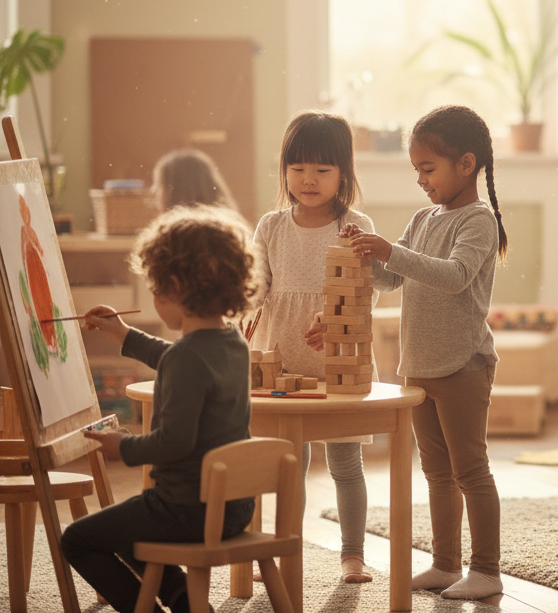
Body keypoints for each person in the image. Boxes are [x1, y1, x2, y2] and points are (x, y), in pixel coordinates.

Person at [333, 104, 508, 600]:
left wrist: (389, 249)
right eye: (417, 170)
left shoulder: (479, 221)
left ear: (467, 164)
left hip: (463, 366)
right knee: (436, 472)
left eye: (428, 169)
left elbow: (453, 277)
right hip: (420, 366)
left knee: (470, 470)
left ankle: (487, 569)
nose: (421, 180)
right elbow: (391, 280)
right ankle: (446, 563)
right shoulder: (424, 217)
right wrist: (366, 255)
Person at [61, 206, 260, 613]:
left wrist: (124, 447)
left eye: (154, 289)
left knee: (76, 539)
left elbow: (174, 441)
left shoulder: (188, 358)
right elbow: (178, 358)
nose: (152, 298)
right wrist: (124, 332)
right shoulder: (232, 343)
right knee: (126, 527)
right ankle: (182, 600)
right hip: (234, 507)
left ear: (174, 287)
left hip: (186, 509)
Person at [251, 110, 397, 584]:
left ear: (343, 174)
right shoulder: (271, 226)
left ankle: (352, 553)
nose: (308, 179)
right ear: (284, 171)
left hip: (340, 364)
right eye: (297, 168)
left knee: (345, 463)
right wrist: (241, 311)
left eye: (321, 169)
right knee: (288, 464)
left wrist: (334, 320)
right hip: (283, 360)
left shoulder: (355, 225)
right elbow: (257, 284)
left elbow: (365, 287)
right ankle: (282, 547)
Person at [151, 148, 239, 213]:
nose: (154, 191)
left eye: (159, 185)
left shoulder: (171, 235)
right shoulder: (233, 229)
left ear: (176, 191)